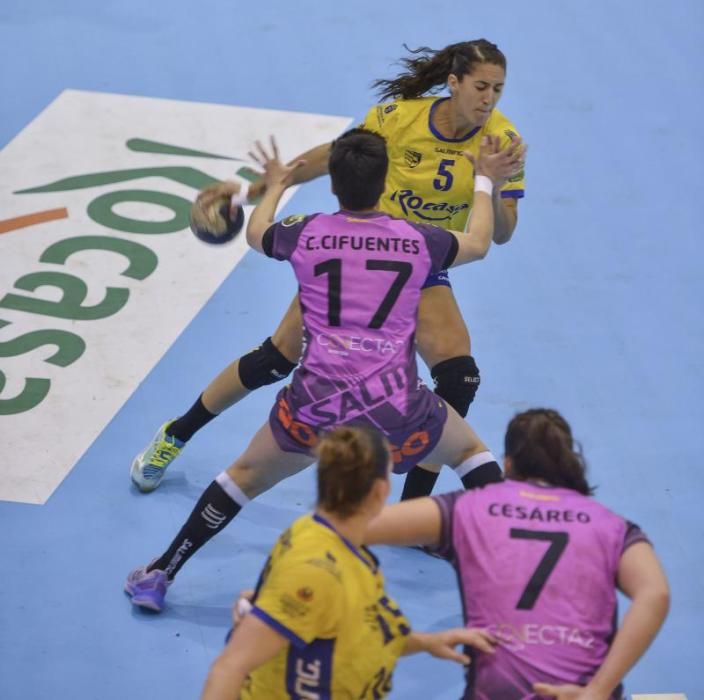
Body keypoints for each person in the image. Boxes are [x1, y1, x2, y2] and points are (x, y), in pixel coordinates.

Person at [125, 127, 508, 612]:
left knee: (241, 478)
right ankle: (514, 569)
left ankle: (159, 574)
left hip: (315, 406)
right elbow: (478, 242)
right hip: (396, 410)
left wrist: (278, 183)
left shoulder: (306, 231)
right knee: (470, 451)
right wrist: (484, 180)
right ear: (384, 180)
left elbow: (255, 232)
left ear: (333, 186)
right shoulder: (420, 239)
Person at [130, 38, 526, 501]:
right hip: (359, 250)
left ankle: (415, 505)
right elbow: (333, 157)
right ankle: (175, 435)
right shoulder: (401, 119)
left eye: (498, 89)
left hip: (418, 259)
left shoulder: (504, 142)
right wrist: (247, 193)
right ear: (453, 83)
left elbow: (502, 234)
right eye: (481, 86)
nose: (489, 99)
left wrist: (493, 183)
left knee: (459, 377)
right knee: (277, 357)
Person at [364, 409, 670, 700]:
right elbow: (655, 594)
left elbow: (357, 526)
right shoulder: (611, 525)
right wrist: (599, 689)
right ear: (570, 462)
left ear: (508, 464)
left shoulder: (470, 508)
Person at [199, 426, 497, 700]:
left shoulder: (339, 548)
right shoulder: (314, 571)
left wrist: (428, 643)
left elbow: (359, 633)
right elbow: (230, 667)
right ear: (381, 491)